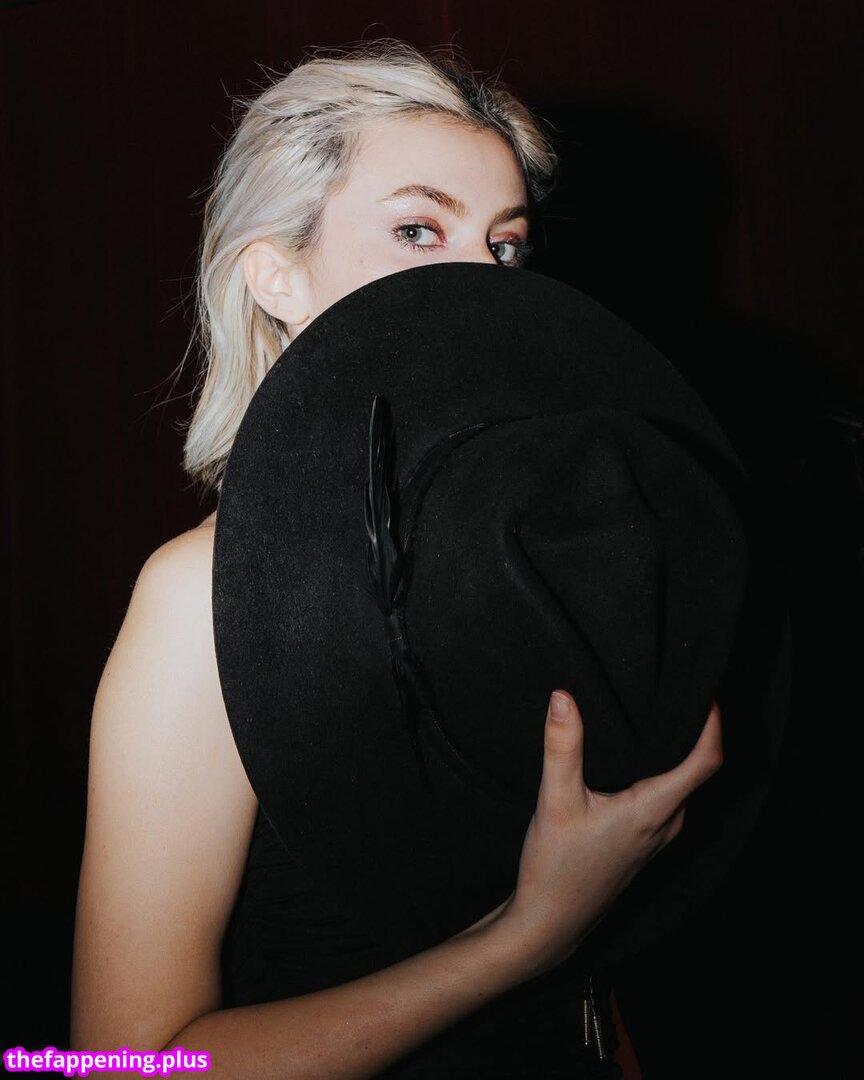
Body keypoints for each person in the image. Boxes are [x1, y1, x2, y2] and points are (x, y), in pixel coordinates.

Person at [71, 39, 723, 1078]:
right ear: (277, 276)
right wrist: (526, 937)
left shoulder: (531, 557)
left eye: (506, 246)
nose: (484, 283)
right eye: (419, 229)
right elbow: (125, 1063)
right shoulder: (203, 596)